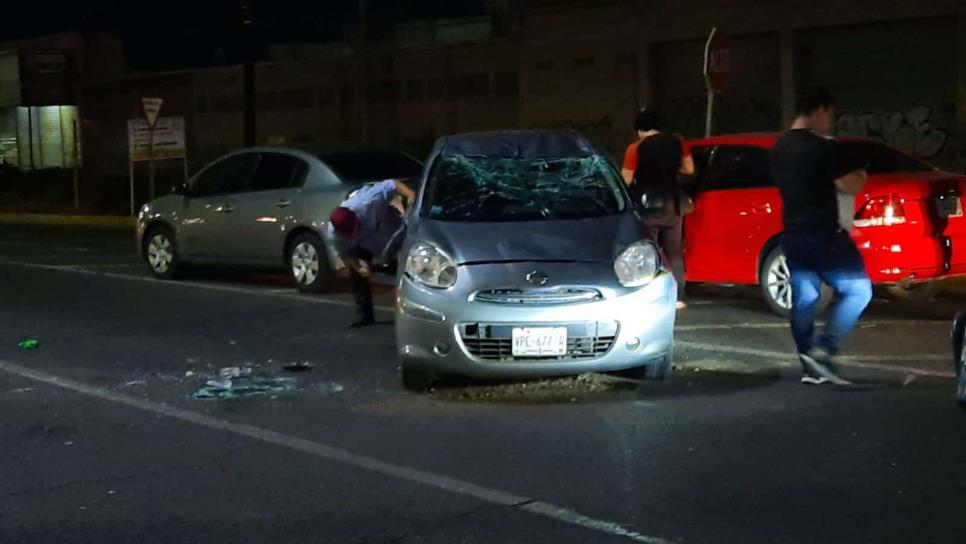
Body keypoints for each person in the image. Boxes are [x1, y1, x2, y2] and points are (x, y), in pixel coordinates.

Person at [769, 87, 872, 385]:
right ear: (821, 111)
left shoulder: (778, 148)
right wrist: (862, 175)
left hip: (793, 233)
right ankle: (824, 350)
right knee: (858, 290)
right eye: (830, 115)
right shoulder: (819, 147)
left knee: (806, 297)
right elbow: (849, 186)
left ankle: (810, 366)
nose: (831, 122)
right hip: (824, 233)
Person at [622, 109, 690, 309]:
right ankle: (678, 296)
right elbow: (689, 169)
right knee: (675, 250)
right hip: (673, 203)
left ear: (640, 130)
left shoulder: (635, 148)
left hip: (648, 205)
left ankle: (651, 293)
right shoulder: (677, 142)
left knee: (648, 249)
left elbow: (626, 179)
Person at [329, 179, 415, 328]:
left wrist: (411, 197)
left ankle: (415, 312)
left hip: (394, 231)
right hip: (366, 245)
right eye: (349, 233)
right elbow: (345, 255)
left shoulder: (367, 201)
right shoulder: (335, 234)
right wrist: (359, 268)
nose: (354, 233)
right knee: (357, 273)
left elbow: (392, 184)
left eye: (355, 227)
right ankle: (364, 314)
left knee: (410, 270)